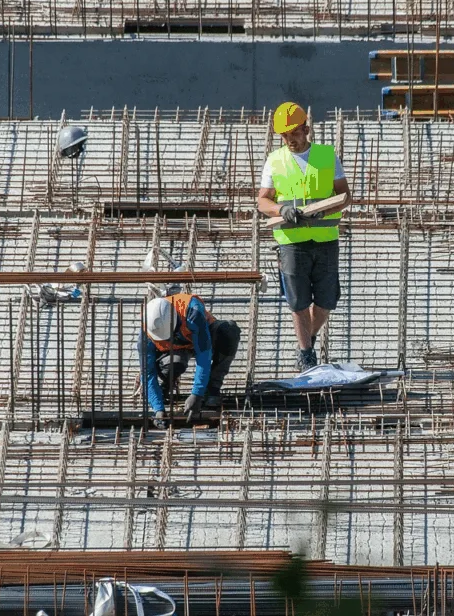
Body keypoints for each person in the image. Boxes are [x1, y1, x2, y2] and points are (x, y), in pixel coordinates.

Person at [256, 101, 351, 372]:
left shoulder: (326, 155)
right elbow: (262, 201)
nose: (289, 141)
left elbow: (345, 195)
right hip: (291, 241)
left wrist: (327, 209)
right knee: (298, 300)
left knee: (326, 300)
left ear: (306, 129)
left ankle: (307, 335)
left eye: (294, 134)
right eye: (284, 136)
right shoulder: (274, 161)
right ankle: (306, 352)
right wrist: (280, 209)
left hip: (324, 239)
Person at [139, 294, 240, 426]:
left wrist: (197, 394)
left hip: (202, 337)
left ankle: (213, 388)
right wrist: (158, 408)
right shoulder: (147, 333)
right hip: (176, 351)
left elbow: (204, 356)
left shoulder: (192, 312)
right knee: (173, 364)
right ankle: (164, 386)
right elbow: (147, 373)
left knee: (229, 331)